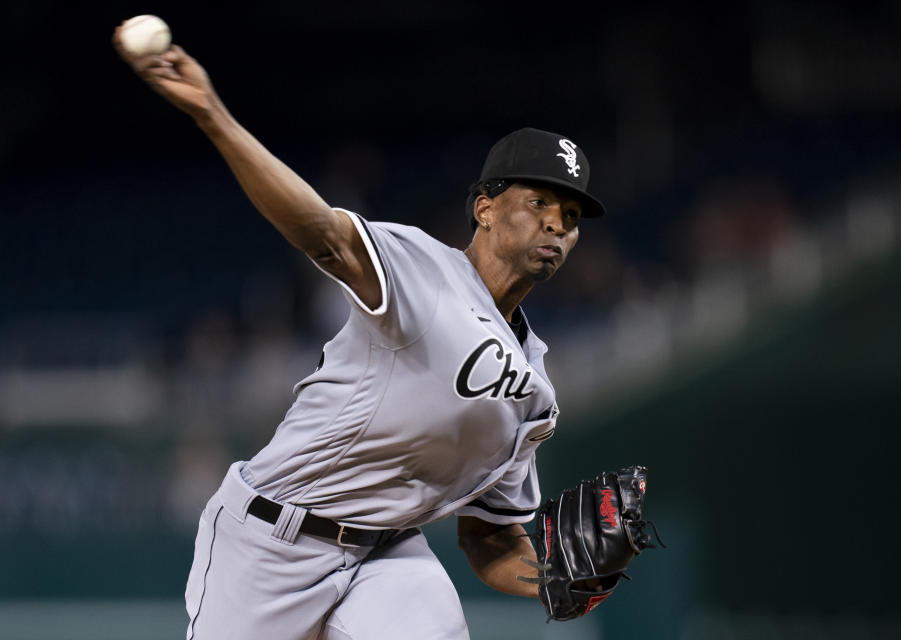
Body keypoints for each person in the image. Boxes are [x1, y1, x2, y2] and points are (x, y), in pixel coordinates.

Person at [114, 23, 606, 640]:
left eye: (571, 216)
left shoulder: (535, 391)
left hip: (385, 554)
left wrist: (555, 580)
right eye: (540, 202)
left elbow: (490, 535)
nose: (558, 224)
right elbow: (320, 231)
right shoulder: (420, 267)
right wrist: (214, 115)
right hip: (271, 538)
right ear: (484, 207)